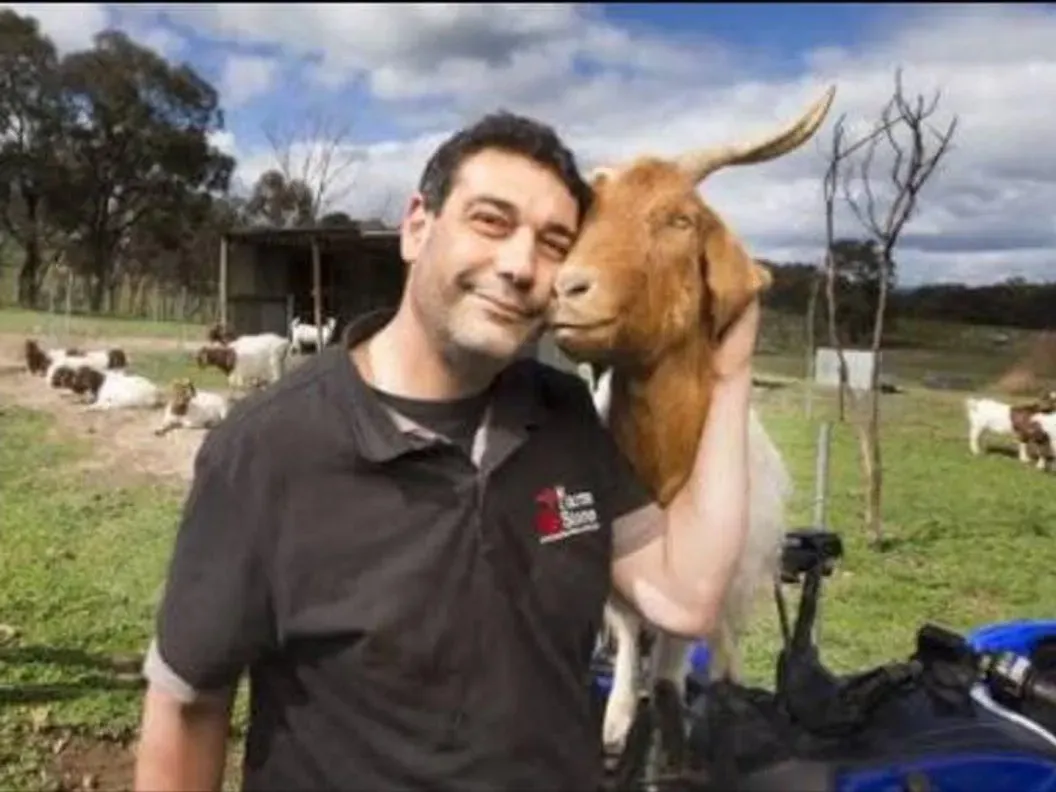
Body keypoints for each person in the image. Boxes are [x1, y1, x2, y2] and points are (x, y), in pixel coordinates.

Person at [133, 110, 759, 792]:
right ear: (416, 226)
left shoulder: (566, 417)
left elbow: (687, 597)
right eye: (491, 221)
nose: (521, 265)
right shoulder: (266, 449)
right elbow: (188, 704)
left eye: (554, 242)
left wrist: (730, 374)